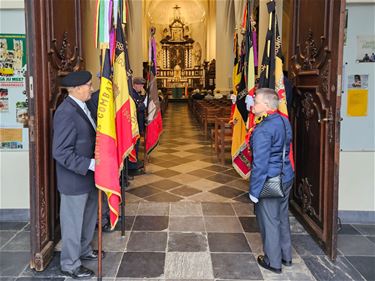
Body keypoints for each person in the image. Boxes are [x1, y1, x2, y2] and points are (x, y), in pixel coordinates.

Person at [52, 71, 104, 279]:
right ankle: (70, 264)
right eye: (89, 85)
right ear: (76, 88)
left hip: (88, 176)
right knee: (73, 224)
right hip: (74, 178)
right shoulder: (66, 112)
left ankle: (83, 251)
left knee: (88, 218)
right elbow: (60, 152)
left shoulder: (82, 106)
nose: (91, 88)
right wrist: (90, 164)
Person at [248, 88, 294, 274]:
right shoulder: (283, 120)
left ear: (266, 105)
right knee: (282, 217)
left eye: (256, 101)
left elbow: (260, 164)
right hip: (286, 176)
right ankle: (286, 256)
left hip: (270, 180)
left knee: (269, 221)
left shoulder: (263, 129)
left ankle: (273, 262)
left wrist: (254, 191)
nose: (252, 104)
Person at [128, 76, 147, 175]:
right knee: (134, 144)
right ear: (135, 84)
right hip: (134, 124)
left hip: (138, 123)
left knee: (137, 143)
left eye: (143, 85)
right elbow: (137, 107)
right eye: (140, 85)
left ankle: (134, 162)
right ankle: (132, 165)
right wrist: (145, 104)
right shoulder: (132, 94)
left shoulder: (136, 93)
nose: (142, 86)